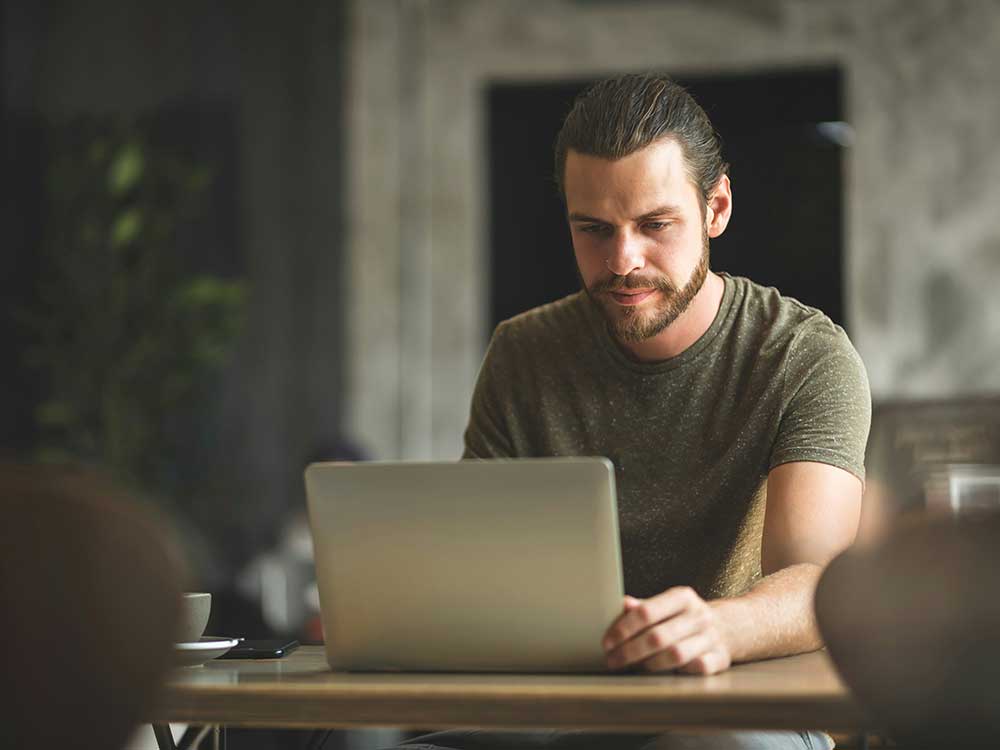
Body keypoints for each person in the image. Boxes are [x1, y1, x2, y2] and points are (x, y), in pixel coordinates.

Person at [386, 72, 871, 750]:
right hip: (565, 710)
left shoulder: (802, 356)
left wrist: (717, 627)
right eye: (594, 230)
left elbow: (818, 583)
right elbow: (483, 572)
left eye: (655, 225)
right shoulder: (522, 353)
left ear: (717, 208)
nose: (622, 261)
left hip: (739, 707)